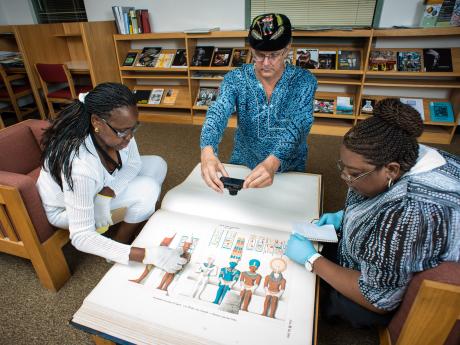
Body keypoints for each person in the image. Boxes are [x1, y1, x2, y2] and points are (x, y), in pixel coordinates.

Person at [285, 98, 460, 328]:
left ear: (392, 170)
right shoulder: (410, 150)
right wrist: (344, 216)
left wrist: (312, 260)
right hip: (386, 248)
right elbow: (376, 197)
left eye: (354, 173)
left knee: (317, 296)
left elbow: (378, 299)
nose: (344, 178)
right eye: (342, 167)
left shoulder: (409, 212)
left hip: (379, 295)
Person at [37, 82, 187, 272]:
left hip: (97, 187)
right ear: (97, 122)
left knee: (157, 164)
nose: (130, 137)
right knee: (148, 188)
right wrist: (148, 256)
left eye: (134, 128)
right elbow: (81, 236)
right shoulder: (81, 166)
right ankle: (121, 245)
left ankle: (132, 221)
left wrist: (106, 195)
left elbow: (133, 163)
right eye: (123, 131)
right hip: (65, 209)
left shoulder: (119, 127)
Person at [200, 13, 317, 191]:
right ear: (251, 49)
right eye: (259, 55)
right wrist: (207, 150)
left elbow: (299, 125)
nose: (266, 63)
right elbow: (218, 111)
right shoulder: (235, 78)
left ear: (287, 48)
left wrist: (273, 162)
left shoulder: (304, 81)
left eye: (274, 55)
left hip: (287, 165)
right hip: (244, 162)